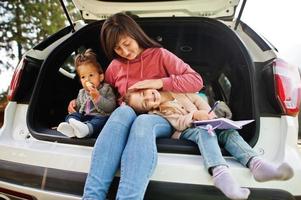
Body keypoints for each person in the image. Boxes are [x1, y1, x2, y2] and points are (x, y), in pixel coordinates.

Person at [70, 12, 203, 199]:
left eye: (127, 44)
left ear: (136, 35)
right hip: (126, 116)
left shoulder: (160, 55)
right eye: (117, 48)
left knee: (143, 122)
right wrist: (80, 102)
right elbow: (102, 94)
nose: (124, 52)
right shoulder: (115, 67)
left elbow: (196, 81)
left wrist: (158, 83)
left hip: (160, 115)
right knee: (122, 113)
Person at [124, 88, 294, 200]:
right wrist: (194, 116)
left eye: (144, 93)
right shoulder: (159, 111)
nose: (149, 97)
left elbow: (198, 102)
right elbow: (178, 123)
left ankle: (257, 165)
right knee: (206, 131)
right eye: (145, 102)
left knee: (229, 132)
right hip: (187, 131)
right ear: (148, 109)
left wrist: (209, 114)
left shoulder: (179, 91)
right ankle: (220, 174)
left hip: (206, 122)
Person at [58, 49, 116, 138]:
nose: (87, 80)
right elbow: (79, 106)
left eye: (91, 75)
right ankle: (71, 129)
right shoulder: (82, 92)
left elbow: (110, 107)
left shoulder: (106, 89)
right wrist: (74, 105)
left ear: (100, 77)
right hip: (84, 117)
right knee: (72, 116)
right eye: (83, 77)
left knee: (101, 121)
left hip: (99, 117)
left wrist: (98, 98)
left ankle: (86, 130)